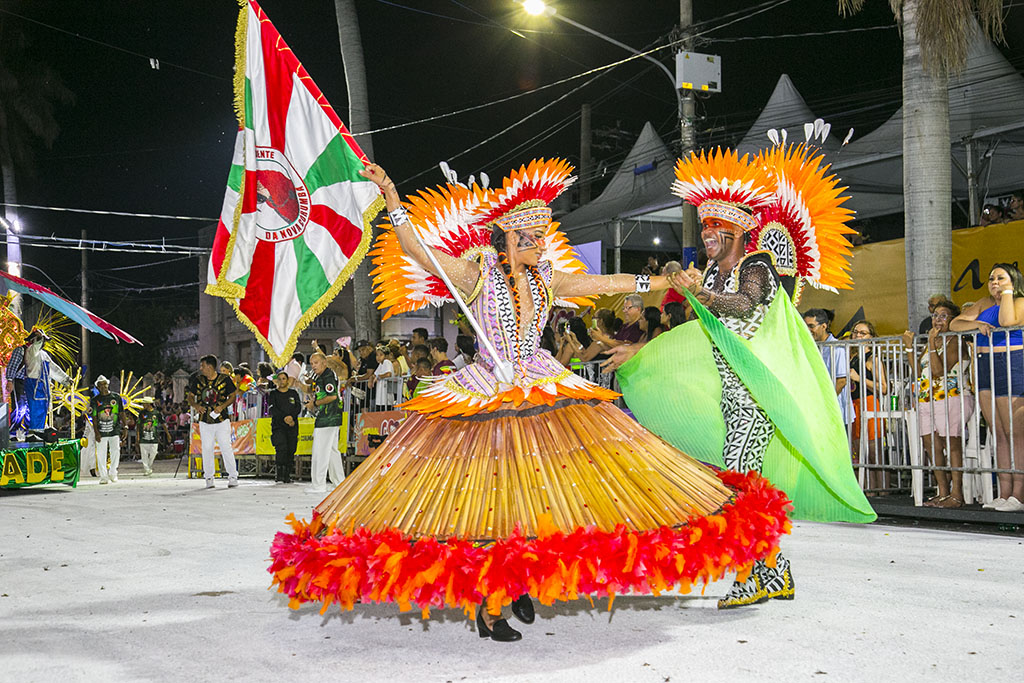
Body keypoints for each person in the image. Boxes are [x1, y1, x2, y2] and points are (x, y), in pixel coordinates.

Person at [271, 159, 791, 641]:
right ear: (509, 236)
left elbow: (604, 280)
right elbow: (416, 250)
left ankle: (518, 582)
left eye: (544, 235)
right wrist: (391, 199)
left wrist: (661, 280)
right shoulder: (478, 275)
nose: (542, 243)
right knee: (486, 494)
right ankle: (488, 600)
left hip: (538, 386)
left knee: (535, 489)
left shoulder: (547, 278)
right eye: (532, 236)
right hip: (487, 395)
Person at [604, 145, 875, 608]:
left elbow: (743, 306)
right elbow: (703, 330)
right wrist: (641, 347)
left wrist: (699, 292)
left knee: (738, 482)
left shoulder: (758, 267)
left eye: (717, 225)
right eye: (705, 225)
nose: (708, 232)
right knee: (750, 484)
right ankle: (777, 571)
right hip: (731, 392)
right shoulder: (712, 272)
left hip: (757, 393)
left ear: (740, 230)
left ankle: (748, 577)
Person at [950, 263, 1024, 511]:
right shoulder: (982, 302)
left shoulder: (1020, 301)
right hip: (983, 363)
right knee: (999, 433)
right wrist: (977, 325)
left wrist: (1006, 293)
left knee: (1014, 432)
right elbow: (955, 324)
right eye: (992, 278)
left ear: (1013, 280)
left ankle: (1018, 494)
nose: (994, 281)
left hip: (1010, 361)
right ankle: (1003, 493)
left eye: (1000, 278)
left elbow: (1007, 320)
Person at [903, 302, 973, 507]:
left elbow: (938, 371)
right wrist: (909, 347)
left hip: (952, 397)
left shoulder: (956, 341)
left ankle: (956, 494)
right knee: (930, 445)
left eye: (944, 316)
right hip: (927, 399)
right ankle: (942, 491)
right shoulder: (932, 342)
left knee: (952, 444)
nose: (938, 320)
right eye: (935, 315)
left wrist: (933, 343)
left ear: (954, 320)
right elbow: (917, 372)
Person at [186, 354, 239, 489]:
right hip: (204, 420)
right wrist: (196, 406)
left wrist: (223, 406)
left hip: (222, 420)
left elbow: (233, 395)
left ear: (209, 367)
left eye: (202, 366)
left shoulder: (225, 379)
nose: (201, 368)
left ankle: (233, 476)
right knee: (207, 448)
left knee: (225, 446)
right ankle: (209, 477)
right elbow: (190, 396)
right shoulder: (198, 380)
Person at [849, 321, 889, 486]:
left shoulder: (873, 358)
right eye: (856, 332)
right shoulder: (852, 358)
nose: (858, 335)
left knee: (874, 452)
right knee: (860, 452)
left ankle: (885, 491)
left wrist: (860, 379)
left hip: (870, 403)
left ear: (871, 337)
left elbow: (884, 387)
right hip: (854, 405)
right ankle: (870, 490)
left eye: (863, 333)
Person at [804, 308, 854, 428]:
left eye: (811, 326)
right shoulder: (810, 347)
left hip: (836, 412)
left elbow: (841, 381)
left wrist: (825, 402)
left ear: (824, 326)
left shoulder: (837, 349)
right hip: (817, 411)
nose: (807, 330)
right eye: (805, 326)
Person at [303, 352, 345, 494]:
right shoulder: (323, 376)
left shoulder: (327, 376)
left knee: (320, 450)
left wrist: (314, 403)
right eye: (311, 363)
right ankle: (339, 482)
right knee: (332, 451)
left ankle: (318, 485)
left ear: (324, 363)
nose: (313, 365)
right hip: (331, 416)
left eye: (316, 362)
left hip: (328, 416)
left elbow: (332, 396)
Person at [267, 370, 301, 484]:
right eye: (279, 379)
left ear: (287, 380)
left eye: (284, 379)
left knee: (291, 449)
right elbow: (273, 409)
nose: (282, 381)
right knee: (281, 449)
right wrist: (284, 418)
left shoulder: (293, 393)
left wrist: (291, 418)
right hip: (278, 426)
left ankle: (287, 475)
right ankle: (279, 475)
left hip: (292, 426)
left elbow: (298, 407)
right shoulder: (273, 394)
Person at [90, 375, 125, 484]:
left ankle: (113, 473)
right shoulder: (95, 400)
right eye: (100, 385)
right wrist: (96, 432)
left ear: (108, 384)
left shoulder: (116, 397)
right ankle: (103, 476)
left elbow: (121, 413)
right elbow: (94, 417)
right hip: (101, 431)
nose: (103, 387)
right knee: (101, 454)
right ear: (98, 387)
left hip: (114, 429)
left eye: (105, 384)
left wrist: (126, 427)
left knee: (116, 451)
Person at [136, 397, 168, 476]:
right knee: (144, 455)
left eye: (144, 403)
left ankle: (149, 466)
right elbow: (138, 425)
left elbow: (163, 424)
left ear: (148, 404)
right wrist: (138, 436)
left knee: (153, 453)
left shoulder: (157, 413)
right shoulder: (142, 413)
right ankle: (146, 469)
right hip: (143, 437)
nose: (143, 405)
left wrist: (168, 434)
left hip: (154, 437)